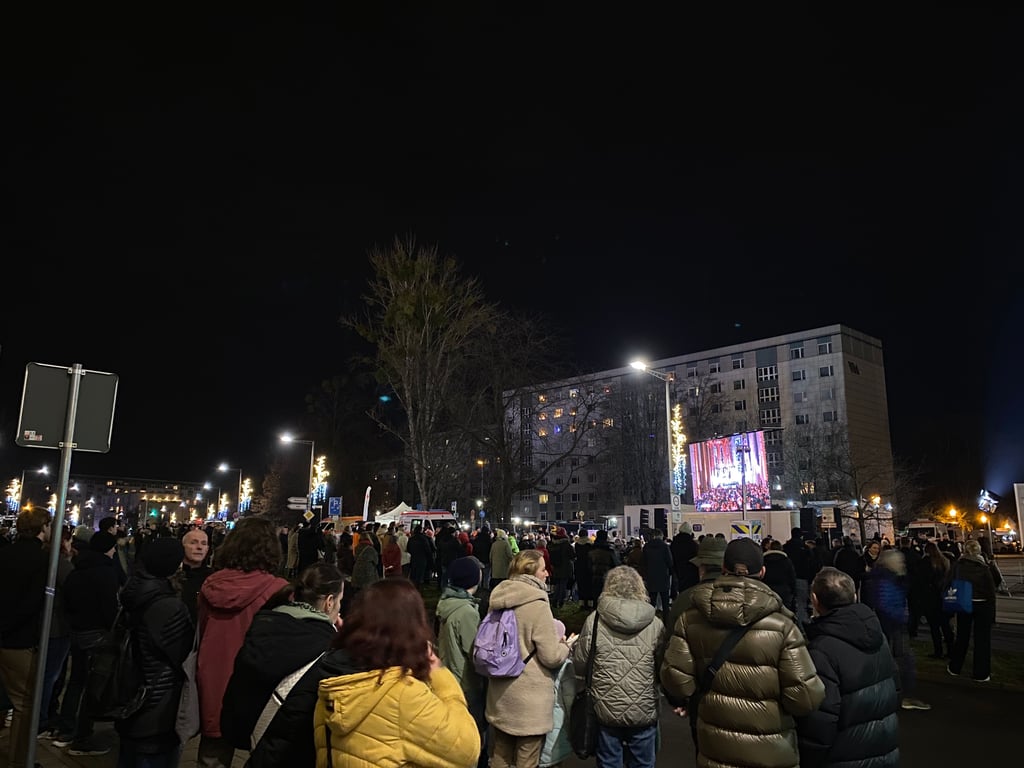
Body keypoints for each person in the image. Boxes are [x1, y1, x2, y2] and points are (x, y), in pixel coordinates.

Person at [660, 537, 825, 767]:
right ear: (763, 572)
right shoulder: (783, 625)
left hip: (715, 744)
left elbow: (677, 681)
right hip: (772, 747)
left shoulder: (690, 618)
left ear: (724, 569)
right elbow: (805, 698)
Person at [315, 578, 481, 768]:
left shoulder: (333, 682)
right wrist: (438, 673)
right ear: (412, 629)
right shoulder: (402, 695)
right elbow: (468, 750)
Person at [224, 562, 344, 767]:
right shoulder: (325, 649)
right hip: (294, 754)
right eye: (341, 600)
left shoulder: (265, 624)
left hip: (255, 744)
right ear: (330, 602)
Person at [195, 517, 288, 768]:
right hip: (258, 681)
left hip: (214, 674)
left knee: (212, 754)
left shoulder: (212, 584)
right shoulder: (278, 589)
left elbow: (201, 629)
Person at [796, 567, 899, 766]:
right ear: (854, 595)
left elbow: (820, 722)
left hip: (843, 756)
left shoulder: (821, 650)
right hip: (884, 747)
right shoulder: (878, 635)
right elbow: (895, 688)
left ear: (815, 600)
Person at [485, 549, 576, 768]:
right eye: (543, 569)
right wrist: (565, 646)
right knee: (527, 759)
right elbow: (551, 657)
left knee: (500, 756)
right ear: (532, 573)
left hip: (500, 692)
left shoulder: (498, 599)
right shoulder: (537, 605)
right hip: (529, 701)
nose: (547, 573)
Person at [572, 565, 665, 768]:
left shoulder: (595, 620)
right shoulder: (655, 623)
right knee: (643, 763)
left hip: (605, 706)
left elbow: (580, 663)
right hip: (644, 706)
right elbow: (662, 666)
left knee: (609, 761)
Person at [115, 537, 193, 768]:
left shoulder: (134, 591)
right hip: (157, 705)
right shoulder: (168, 606)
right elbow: (183, 655)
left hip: (130, 695)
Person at [54, 529, 122, 756]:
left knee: (76, 681)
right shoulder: (105, 572)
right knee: (94, 687)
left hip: (76, 632)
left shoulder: (77, 568)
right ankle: (82, 736)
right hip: (97, 635)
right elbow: (109, 608)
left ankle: (66, 729)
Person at [0, 507, 52, 768]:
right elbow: (32, 603)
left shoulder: (5, 552)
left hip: (6, 635)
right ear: (43, 528)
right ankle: (20, 759)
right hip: (19, 639)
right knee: (25, 703)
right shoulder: (43, 560)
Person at [435, 556, 487, 768]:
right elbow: (475, 652)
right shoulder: (465, 612)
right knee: (471, 739)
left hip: (449, 675)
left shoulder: (447, 603)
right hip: (465, 681)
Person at [863, 548, 930, 710]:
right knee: (902, 660)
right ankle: (902, 696)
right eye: (899, 562)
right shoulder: (886, 579)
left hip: (893, 624)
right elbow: (884, 603)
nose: (902, 564)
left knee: (897, 660)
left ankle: (895, 694)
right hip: (892, 625)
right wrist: (900, 618)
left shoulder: (889, 578)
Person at [947, 538, 998, 682]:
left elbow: (948, 582)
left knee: (962, 636)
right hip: (983, 604)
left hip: (964, 603)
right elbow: (992, 586)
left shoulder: (958, 565)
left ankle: (955, 667)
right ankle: (981, 673)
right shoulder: (984, 566)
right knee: (982, 639)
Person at [540, 618, 577, 768]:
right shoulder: (565, 666)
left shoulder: (535, 660)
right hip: (557, 726)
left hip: (536, 726)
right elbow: (570, 698)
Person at [916, 541, 955, 658]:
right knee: (946, 626)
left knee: (934, 627)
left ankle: (938, 651)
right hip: (944, 597)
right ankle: (951, 650)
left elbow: (921, 582)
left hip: (931, 599)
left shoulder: (925, 563)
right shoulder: (945, 561)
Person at [172, 526, 213, 624]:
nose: (199, 547)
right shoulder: (171, 577)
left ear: (207, 549)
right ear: (183, 546)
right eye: (193, 543)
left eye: (204, 543)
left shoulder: (214, 579)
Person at [641, 528, 673, 614]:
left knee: (652, 602)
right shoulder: (665, 546)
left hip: (651, 577)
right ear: (661, 536)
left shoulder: (646, 547)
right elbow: (670, 562)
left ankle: (651, 622)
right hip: (663, 577)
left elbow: (643, 563)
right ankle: (667, 623)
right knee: (665, 604)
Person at [762, 539, 797, 614]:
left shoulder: (763, 560)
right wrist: (793, 590)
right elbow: (792, 577)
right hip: (784, 590)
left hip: (767, 589)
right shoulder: (786, 561)